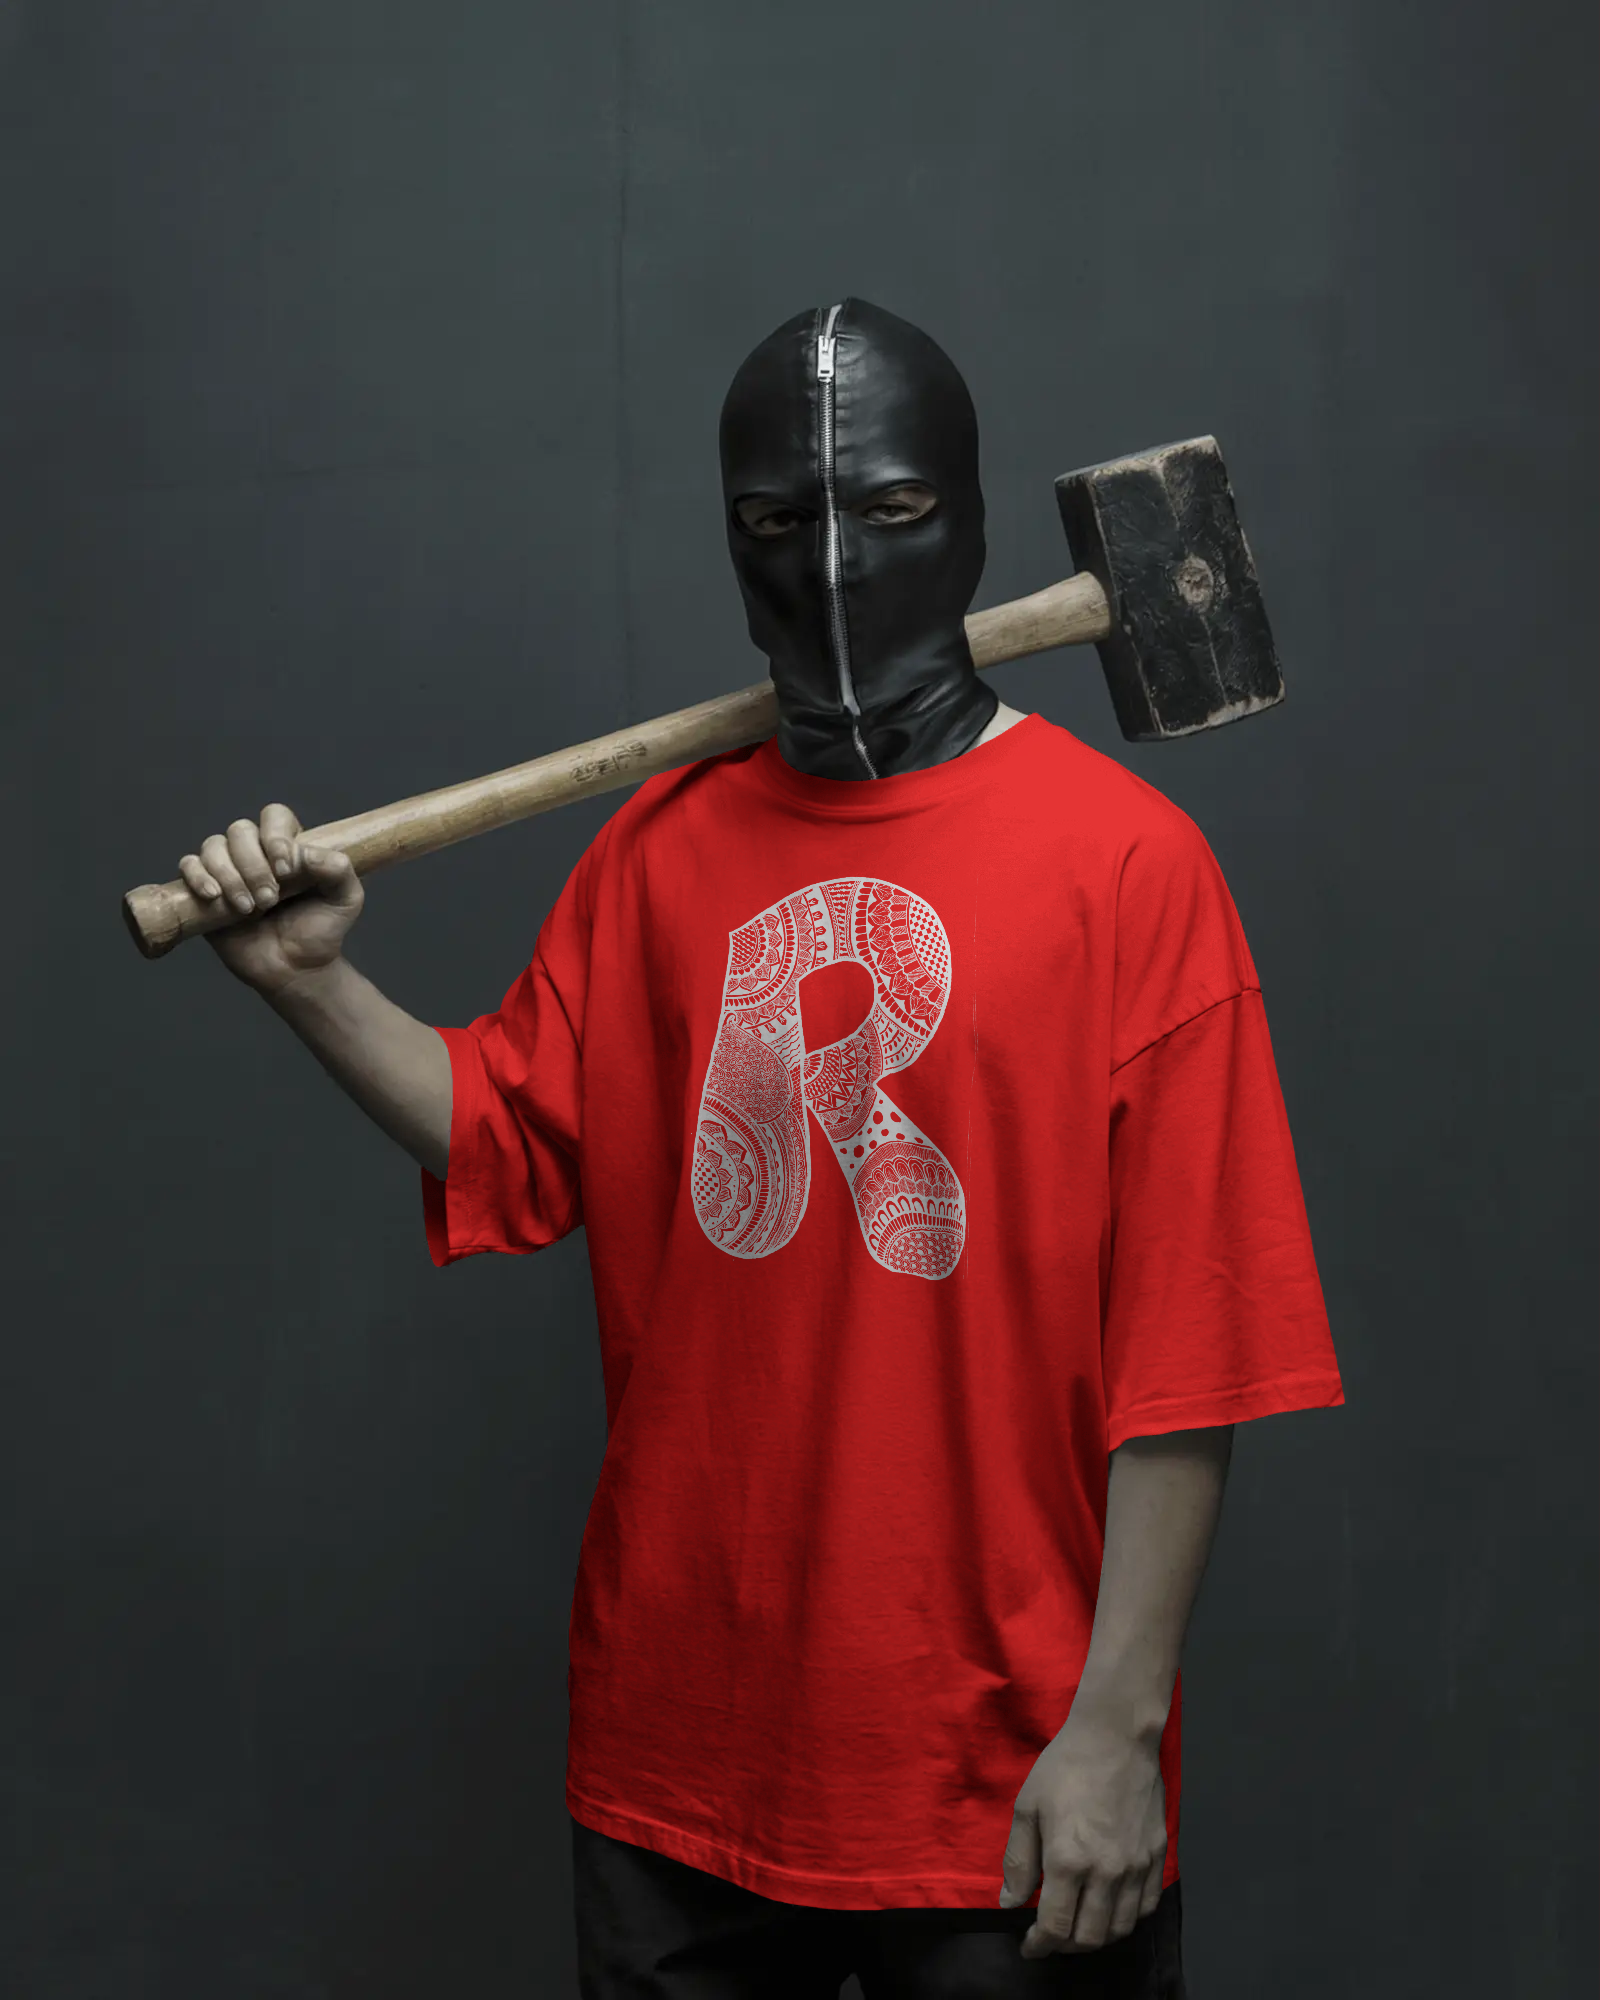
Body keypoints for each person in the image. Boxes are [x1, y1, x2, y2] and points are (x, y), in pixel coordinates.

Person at [175, 299, 1342, 1998]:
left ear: (970, 515)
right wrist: (307, 982)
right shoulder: (654, 854)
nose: (837, 570)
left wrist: (1118, 1730)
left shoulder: (1129, 868)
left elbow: (1197, 1344)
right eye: (778, 525)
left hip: (1006, 1783)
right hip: (676, 1773)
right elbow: (511, 1135)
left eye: (886, 512)